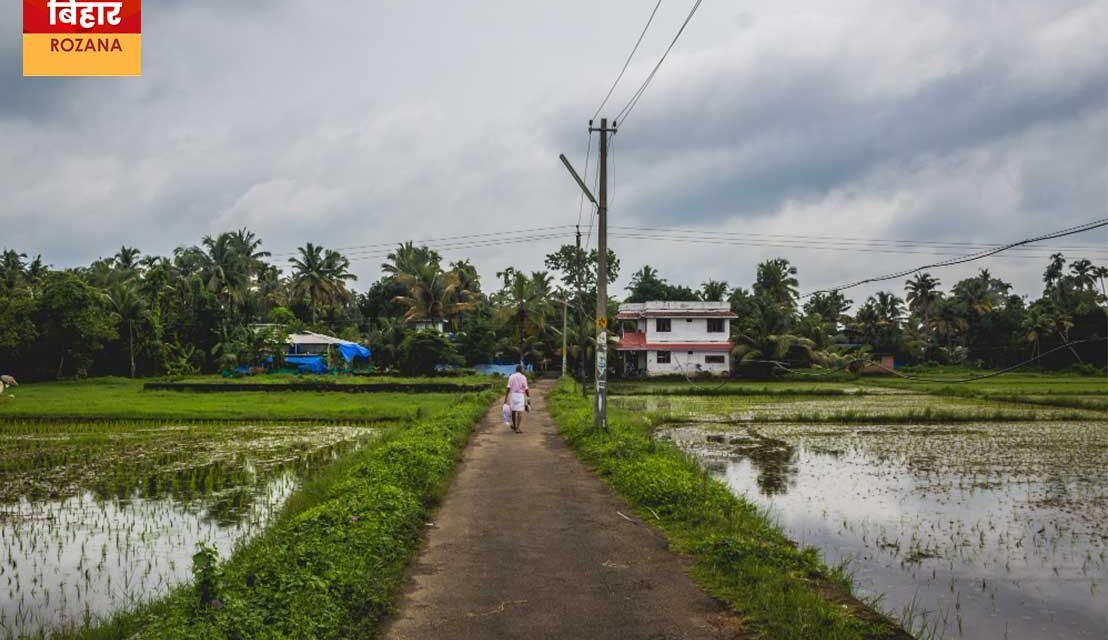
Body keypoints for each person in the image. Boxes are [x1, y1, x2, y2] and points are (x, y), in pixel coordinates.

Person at [504, 365, 529, 433]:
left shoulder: (511, 376)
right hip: (520, 395)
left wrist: (506, 397)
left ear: (516, 370)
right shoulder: (523, 377)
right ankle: (517, 428)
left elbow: (508, 387)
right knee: (520, 412)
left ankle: (514, 426)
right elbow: (526, 388)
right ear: (521, 370)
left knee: (513, 411)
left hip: (513, 395)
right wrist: (528, 397)